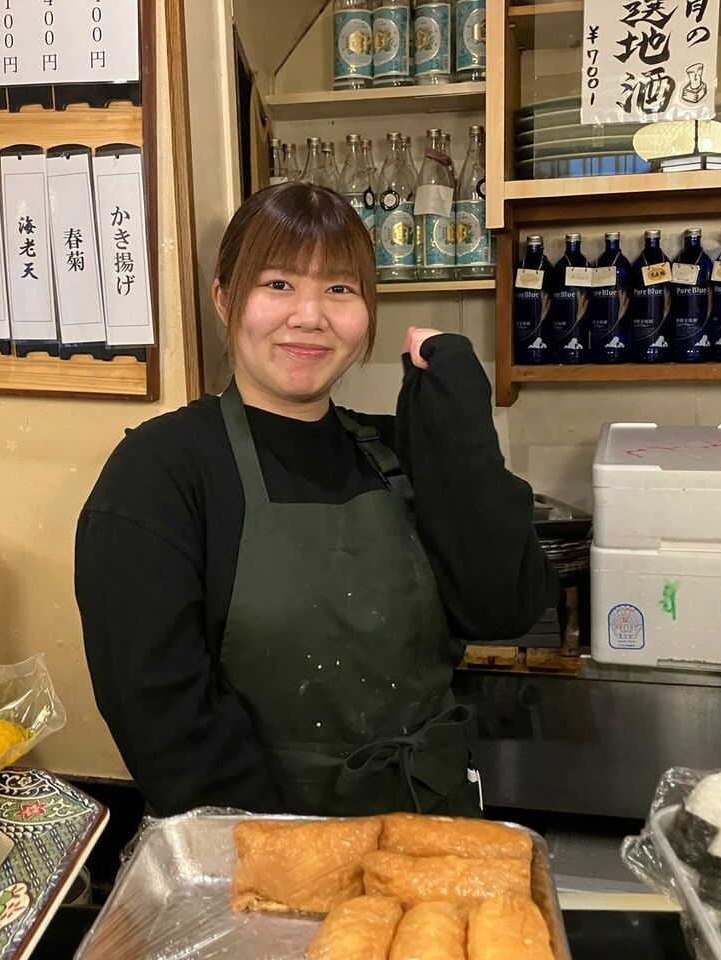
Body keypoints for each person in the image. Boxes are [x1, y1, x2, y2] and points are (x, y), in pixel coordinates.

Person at [75, 182, 556, 818]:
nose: (310, 315)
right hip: (255, 846)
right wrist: (288, 855)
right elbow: (163, 722)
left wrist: (462, 423)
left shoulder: (395, 450)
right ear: (225, 300)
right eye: (277, 284)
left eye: (339, 288)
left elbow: (503, 607)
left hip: (429, 824)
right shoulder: (162, 472)